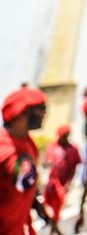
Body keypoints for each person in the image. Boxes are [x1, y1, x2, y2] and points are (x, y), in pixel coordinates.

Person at [0, 87, 59, 234]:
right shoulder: (3, 148)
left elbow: (24, 181)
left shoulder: (29, 144)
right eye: (41, 109)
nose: (45, 114)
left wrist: (38, 202)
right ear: (23, 111)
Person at [43, 124, 82, 224]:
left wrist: (69, 183)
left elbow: (74, 168)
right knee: (47, 206)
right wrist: (48, 163)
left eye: (66, 135)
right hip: (52, 182)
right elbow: (45, 163)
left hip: (63, 183)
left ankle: (55, 228)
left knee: (58, 207)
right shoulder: (52, 147)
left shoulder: (73, 149)